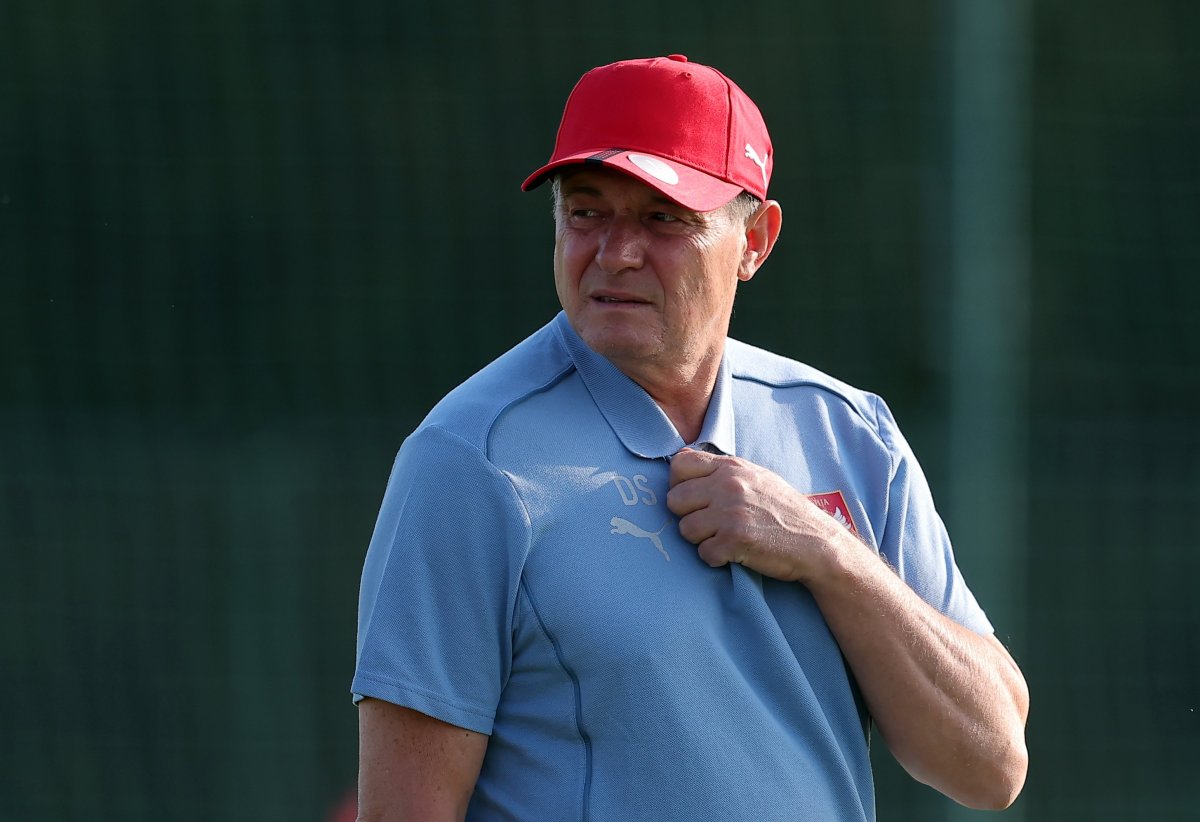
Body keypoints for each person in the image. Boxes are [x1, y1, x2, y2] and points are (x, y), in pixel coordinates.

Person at [352, 54, 1028, 821]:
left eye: (663, 218)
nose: (615, 253)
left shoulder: (850, 433)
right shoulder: (469, 459)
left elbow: (992, 764)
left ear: (755, 240)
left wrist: (826, 552)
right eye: (586, 213)